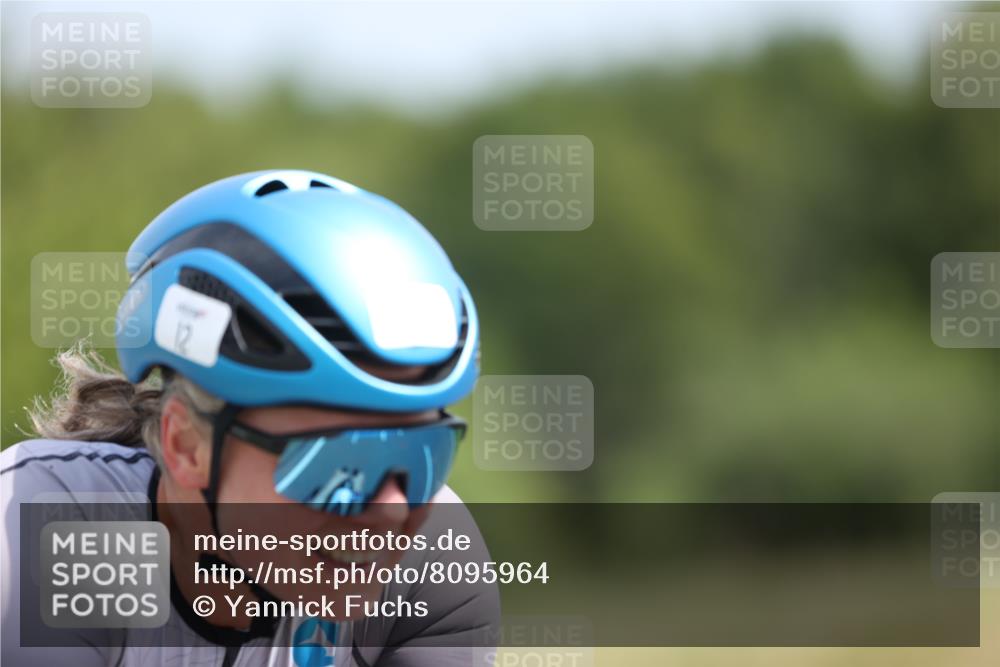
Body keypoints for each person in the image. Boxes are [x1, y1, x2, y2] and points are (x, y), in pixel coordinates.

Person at [0, 170, 499, 667]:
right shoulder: (54, 521)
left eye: (425, 455)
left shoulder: (431, 562)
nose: (394, 508)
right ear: (185, 445)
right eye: (340, 463)